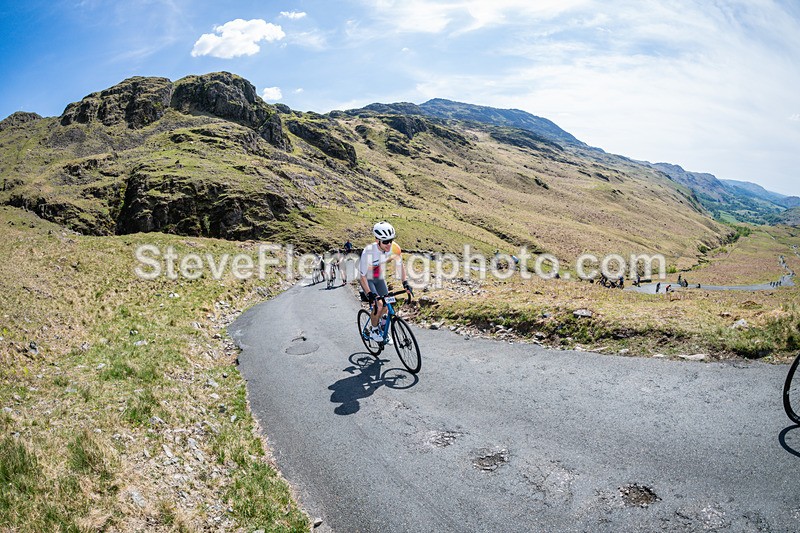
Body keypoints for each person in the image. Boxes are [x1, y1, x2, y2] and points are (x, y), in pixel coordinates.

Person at [359, 221, 412, 341]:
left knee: (387, 304)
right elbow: (361, 277)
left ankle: (383, 327)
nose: (389, 244)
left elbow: (400, 266)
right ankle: (373, 330)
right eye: (385, 241)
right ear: (377, 240)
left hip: (379, 277)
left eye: (391, 240)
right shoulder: (368, 252)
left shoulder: (394, 248)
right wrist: (369, 293)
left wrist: (405, 283)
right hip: (367, 279)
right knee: (379, 305)